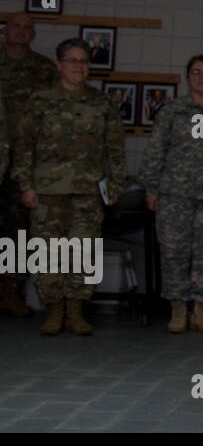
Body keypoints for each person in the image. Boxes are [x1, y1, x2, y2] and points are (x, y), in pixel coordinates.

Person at [11, 38, 126, 335]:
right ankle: (53, 310)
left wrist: (114, 186)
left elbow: (114, 150)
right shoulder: (40, 101)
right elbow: (24, 148)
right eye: (73, 61)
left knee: (83, 252)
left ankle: (76, 310)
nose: (79, 67)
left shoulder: (102, 103)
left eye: (84, 62)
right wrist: (25, 185)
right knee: (49, 253)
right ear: (60, 64)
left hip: (88, 192)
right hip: (47, 191)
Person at [140, 55, 203, 334]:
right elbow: (156, 151)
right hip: (176, 194)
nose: (202, 77)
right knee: (174, 252)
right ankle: (177, 308)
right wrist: (151, 188)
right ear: (187, 78)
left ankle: (200, 308)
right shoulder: (173, 111)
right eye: (196, 72)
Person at [0, 13, 57, 317]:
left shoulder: (44, 68)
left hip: (23, 163)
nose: (21, 32)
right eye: (16, 27)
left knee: (17, 230)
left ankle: (11, 291)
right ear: (5, 30)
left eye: (27, 28)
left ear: (33, 34)